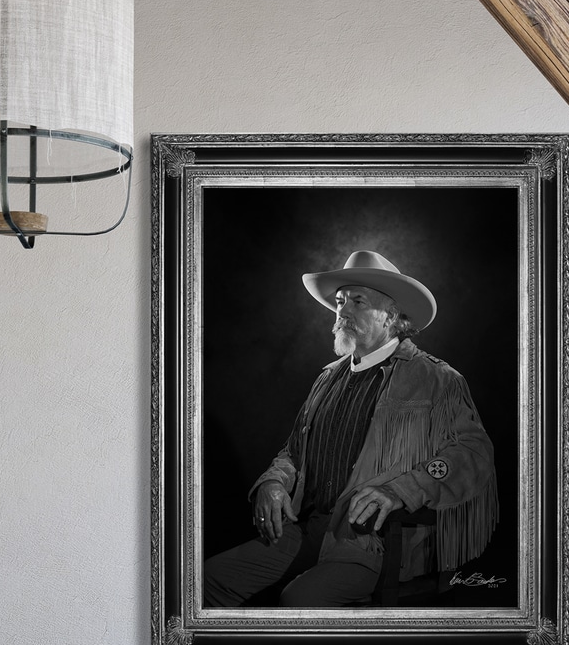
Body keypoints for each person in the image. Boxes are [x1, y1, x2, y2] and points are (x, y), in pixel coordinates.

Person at [204, 250, 497, 608]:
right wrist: (273, 481)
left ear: (391, 316)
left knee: (299, 602)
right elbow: (294, 451)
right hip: (307, 530)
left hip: (375, 541)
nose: (342, 311)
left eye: (357, 302)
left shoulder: (436, 379)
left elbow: (472, 455)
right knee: (207, 581)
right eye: (340, 302)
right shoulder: (328, 377)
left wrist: (400, 491)